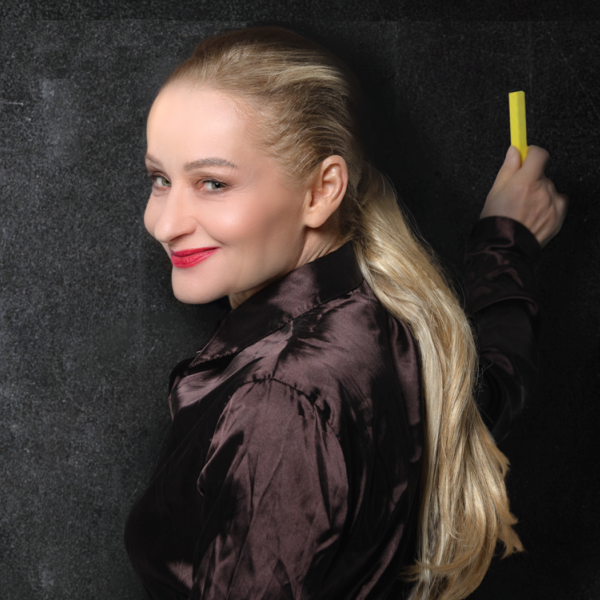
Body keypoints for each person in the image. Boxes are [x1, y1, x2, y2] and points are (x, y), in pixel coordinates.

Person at [124, 27, 568, 600]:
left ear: (321, 191)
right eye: (160, 179)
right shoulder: (394, 321)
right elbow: (485, 393)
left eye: (212, 183)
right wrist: (505, 243)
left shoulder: (279, 402)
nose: (163, 224)